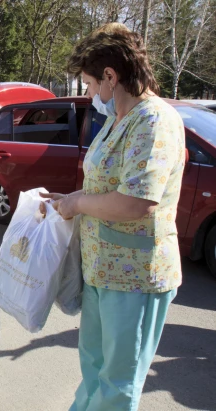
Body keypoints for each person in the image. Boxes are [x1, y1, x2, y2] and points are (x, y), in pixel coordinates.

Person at [42, 24, 185, 411]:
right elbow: (103, 187)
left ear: (110, 76)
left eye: (89, 83)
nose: (89, 93)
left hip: (136, 277)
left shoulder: (154, 121)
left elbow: (137, 203)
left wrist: (78, 205)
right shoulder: (119, 119)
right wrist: (69, 199)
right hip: (103, 270)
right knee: (94, 367)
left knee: (117, 382)